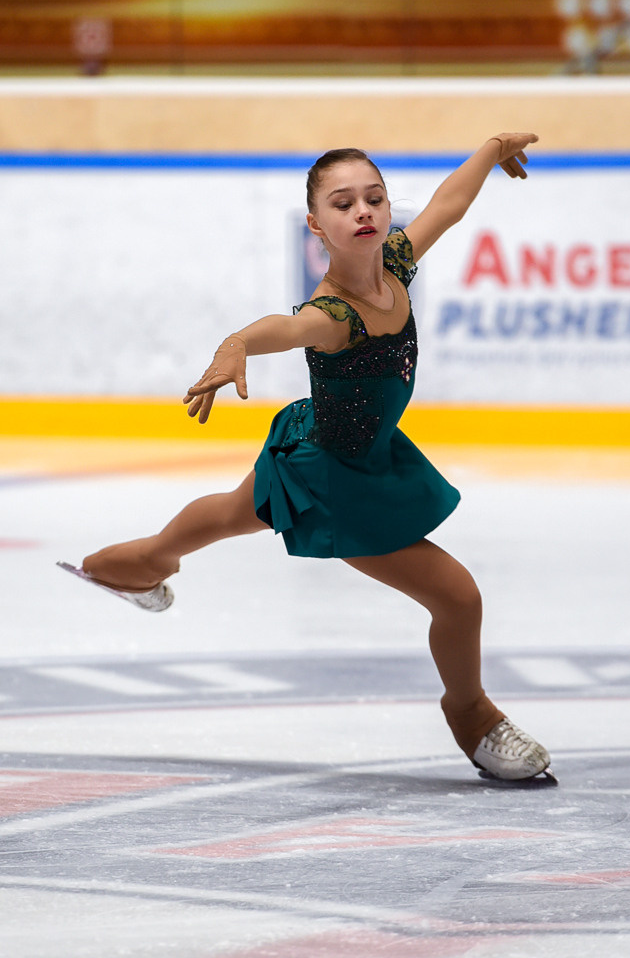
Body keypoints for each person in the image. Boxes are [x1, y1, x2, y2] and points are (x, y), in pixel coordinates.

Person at [59, 134, 555, 784]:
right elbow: (285, 328)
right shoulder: (334, 314)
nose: (363, 211)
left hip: (326, 446)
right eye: (343, 203)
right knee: (458, 599)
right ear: (318, 226)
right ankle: (473, 714)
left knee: (228, 515)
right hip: (335, 485)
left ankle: (133, 564)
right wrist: (236, 343)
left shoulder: (398, 264)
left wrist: (491, 149)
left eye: (373, 197)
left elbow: (448, 204)